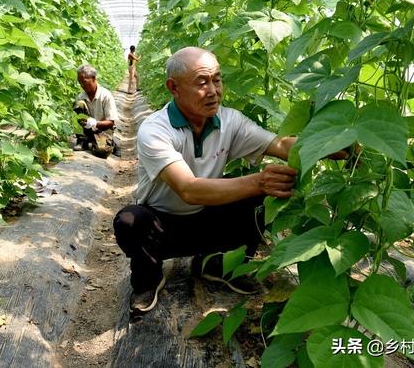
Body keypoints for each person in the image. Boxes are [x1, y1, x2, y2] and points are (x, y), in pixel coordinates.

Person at [112, 47, 348, 316]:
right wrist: (259, 181)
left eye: (217, 79)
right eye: (202, 82)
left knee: (264, 198)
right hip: (162, 228)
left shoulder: (229, 121)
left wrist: (334, 143)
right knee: (129, 221)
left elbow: (281, 145)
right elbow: (189, 189)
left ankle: (216, 266)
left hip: (208, 220)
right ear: (173, 87)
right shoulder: (156, 129)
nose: (213, 90)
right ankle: (148, 278)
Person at [73, 64, 120, 158]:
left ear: (93, 78)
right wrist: (84, 123)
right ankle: (82, 139)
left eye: (84, 82)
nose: (82, 85)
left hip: (103, 130)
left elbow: (111, 123)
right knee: (79, 104)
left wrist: (95, 123)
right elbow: (78, 119)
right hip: (87, 131)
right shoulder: (81, 97)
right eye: (80, 82)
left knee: (102, 151)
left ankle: (113, 144)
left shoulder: (105, 96)